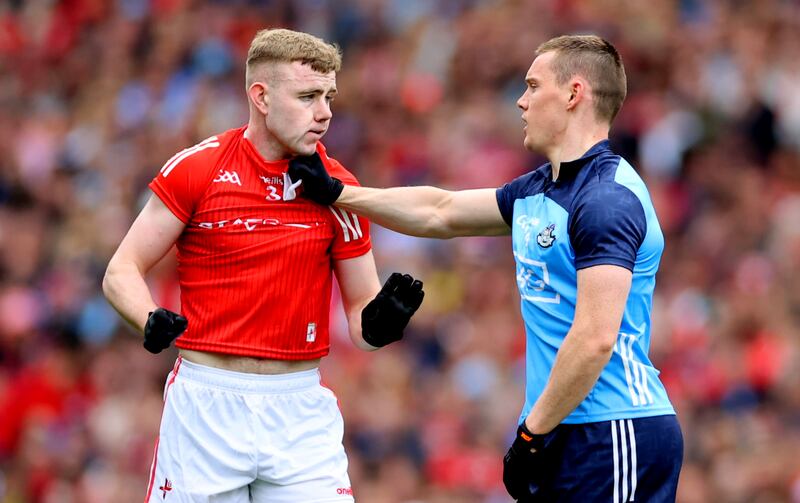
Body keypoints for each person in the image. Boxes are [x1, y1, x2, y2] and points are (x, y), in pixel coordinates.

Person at [288, 35, 683, 502]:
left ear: (574, 94)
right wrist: (339, 193)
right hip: (567, 428)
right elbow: (442, 211)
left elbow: (595, 338)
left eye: (533, 86)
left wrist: (533, 434)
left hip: (612, 430)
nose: (521, 101)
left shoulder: (605, 199)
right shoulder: (542, 189)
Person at [103, 28, 424, 503]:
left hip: (298, 411)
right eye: (308, 96)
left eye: (329, 97)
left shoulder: (339, 189)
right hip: (206, 406)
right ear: (261, 97)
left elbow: (360, 312)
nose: (325, 112)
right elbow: (121, 270)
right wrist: (147, 316)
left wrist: (379, 324)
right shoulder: (199, 168)